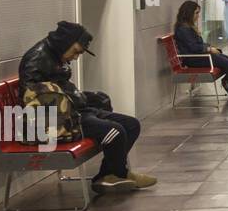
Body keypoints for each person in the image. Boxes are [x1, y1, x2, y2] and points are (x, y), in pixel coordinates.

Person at [19, 22, 157, 194]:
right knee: (114, 131)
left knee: (131, 124)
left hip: (76, 111)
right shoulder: (37, 59)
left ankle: (110, 175)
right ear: (65, 42)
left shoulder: (56, 56)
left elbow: (62, 88)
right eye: (76, 51)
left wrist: (85, 98)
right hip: (60, 120)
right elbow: (34, 97)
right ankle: (116, 174)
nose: (76, 57)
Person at [173, 1, 228, 100]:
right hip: (194, 59)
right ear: (188, 13)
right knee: (227, 64)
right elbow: (194, 47)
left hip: (200, 56)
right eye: (196, 13)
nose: (198, 16)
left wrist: (210, 48)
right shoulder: (183, 29)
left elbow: (197, 45)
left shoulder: (188, 27)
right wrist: (209, 49)